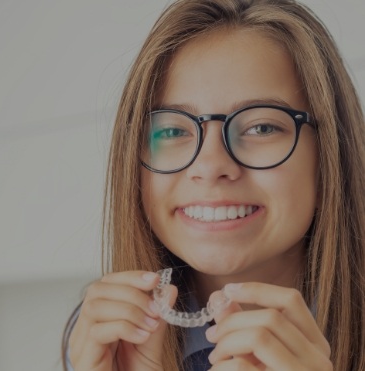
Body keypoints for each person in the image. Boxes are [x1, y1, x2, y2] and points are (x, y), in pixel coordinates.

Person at [62, 0, 365, 370]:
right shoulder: (104, 341)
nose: (210, 166)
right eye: (173, 130)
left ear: (329, 156)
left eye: (261, 127)